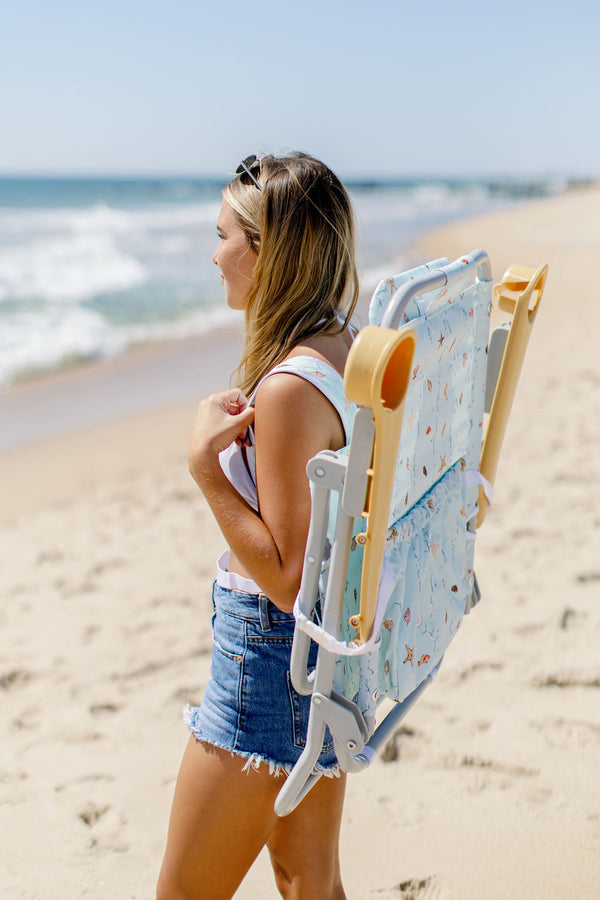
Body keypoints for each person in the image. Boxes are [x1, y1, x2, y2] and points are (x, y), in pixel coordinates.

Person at [157, 152, 359, 900]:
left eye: (224, 237)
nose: (213, 255)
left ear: (266, 251)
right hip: (318, 664)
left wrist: (205, 469)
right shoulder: (339, 340)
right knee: (308, 881)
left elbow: (284, 579)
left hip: (268, 666)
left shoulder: (285, 390)